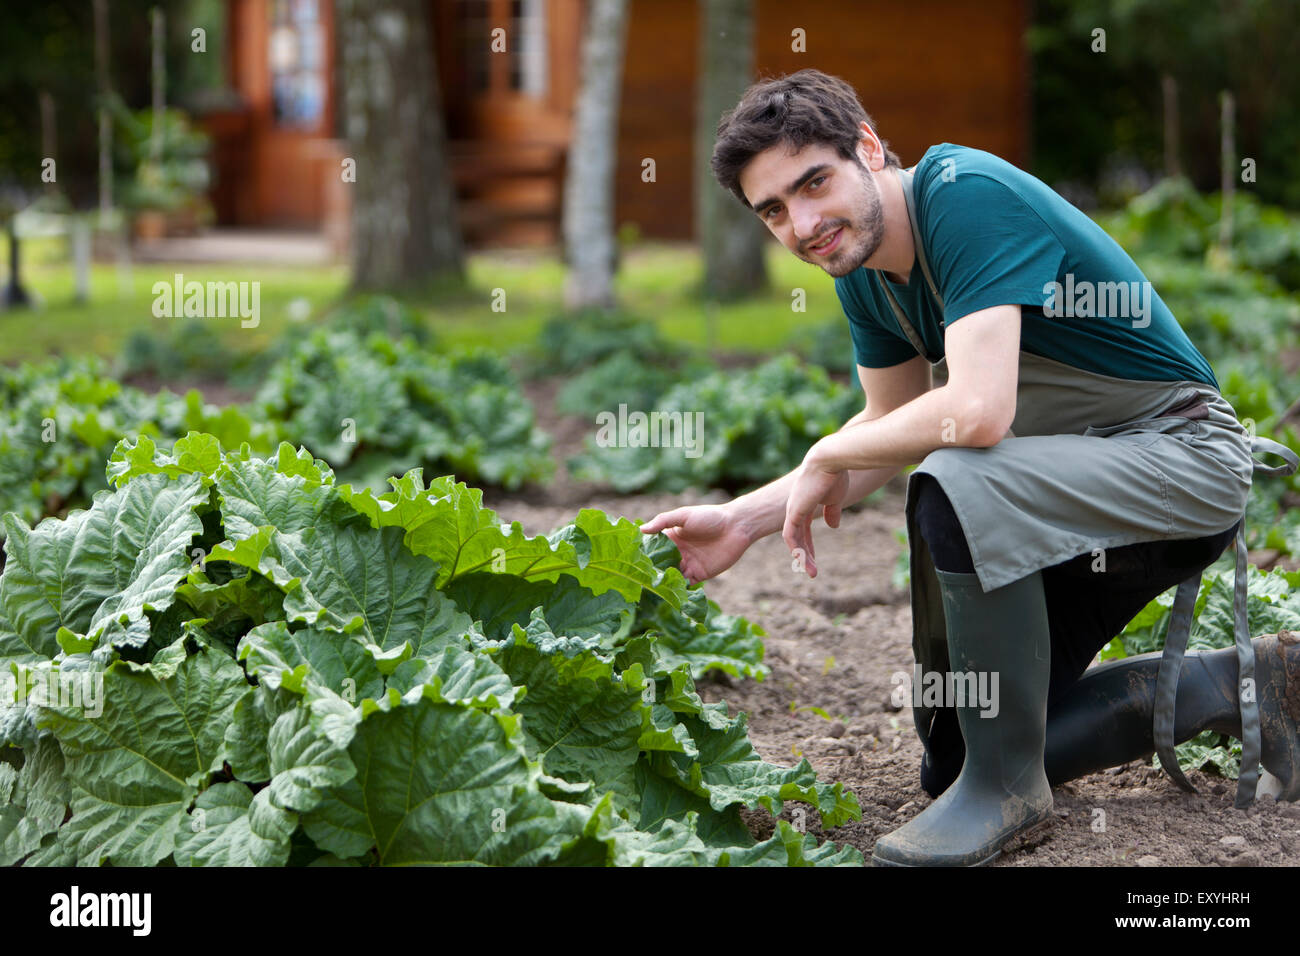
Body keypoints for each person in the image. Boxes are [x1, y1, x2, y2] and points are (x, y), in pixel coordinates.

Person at [640, 69, 1300, 867]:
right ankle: (1238, 686)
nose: (803, 224)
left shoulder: (963, 192)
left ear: (870, 149)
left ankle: (1008, 796)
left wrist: (823, 451)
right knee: (957, 748)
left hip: (1180, 456)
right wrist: (742, 520)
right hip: (1073, 490)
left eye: (813, 183)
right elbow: (889, 427)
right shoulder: (865, 271)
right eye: (773, 210)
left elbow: (978, 412)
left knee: (957, 473)